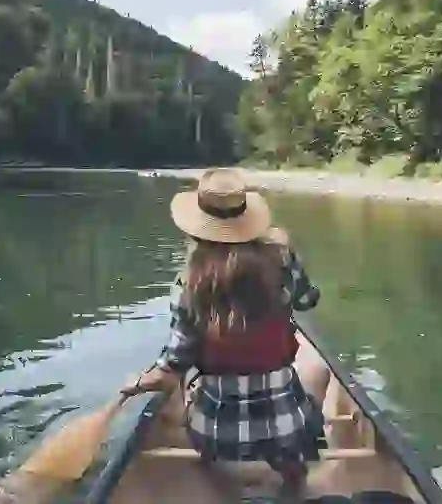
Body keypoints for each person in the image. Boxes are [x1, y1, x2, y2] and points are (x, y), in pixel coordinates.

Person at [120, 167, 324, 501]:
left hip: (218, 433)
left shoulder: (189, 282)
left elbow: (175, 362)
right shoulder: (282, 260)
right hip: (287, 429)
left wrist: (139, 381)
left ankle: (223, 487)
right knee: (314, 382)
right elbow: (308, 300)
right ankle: (294, 483)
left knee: (184, 391)